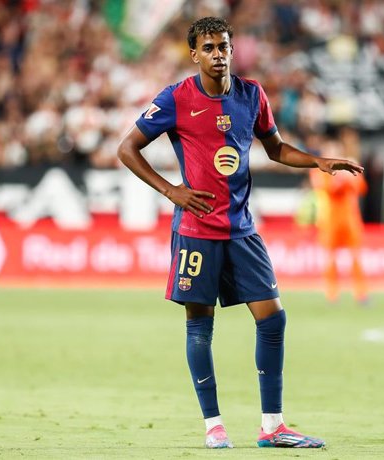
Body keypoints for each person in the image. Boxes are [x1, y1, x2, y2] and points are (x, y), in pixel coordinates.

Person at [117, 17, 364, 449]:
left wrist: (317, 161)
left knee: (273, 317)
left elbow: (276, 149)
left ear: (233, 50)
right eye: (209, 47)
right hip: (196, 230)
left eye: (224, 46)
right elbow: (127, 148)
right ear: (194, 54)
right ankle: (214, 425)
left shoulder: (252, 95)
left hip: (241, 228)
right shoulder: (177, 98)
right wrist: (171, 190)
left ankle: (273, 426)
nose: (218, 54)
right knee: (200, 325)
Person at [308, 128, 368, 304]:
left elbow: (361, 188)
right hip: (329, 220)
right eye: (329, 151)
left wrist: (346, 179)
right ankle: (332, 294)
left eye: (335, 151)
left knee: (356, 257)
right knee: (330, 259)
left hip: (350, 219)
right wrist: (344, 180)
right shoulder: (318, 170)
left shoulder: (348, 165)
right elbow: (328, 189)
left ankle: (361, 294)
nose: (332, 154)